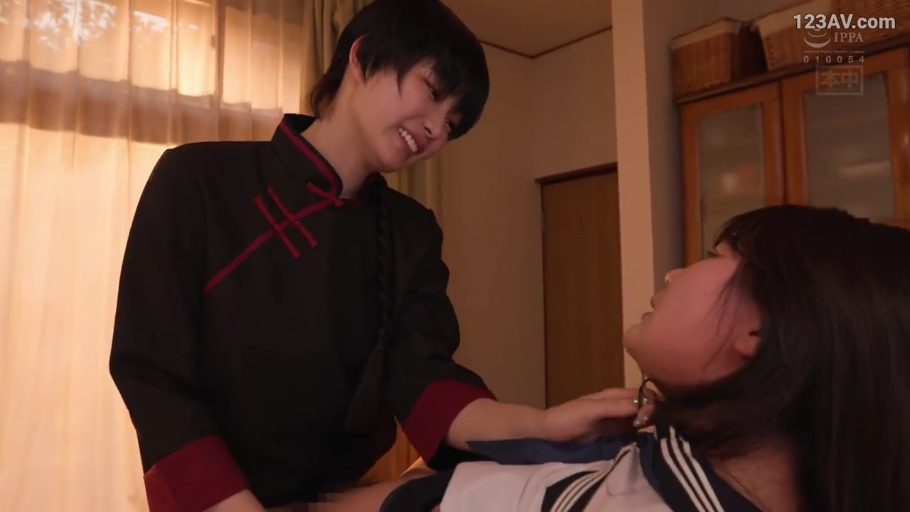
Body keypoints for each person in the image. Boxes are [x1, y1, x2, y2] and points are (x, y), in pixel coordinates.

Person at [108, 0, 629, 511]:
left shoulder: (412, 231)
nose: (436, 130)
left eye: (452, 123)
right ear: (361, 58)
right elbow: (152, 374)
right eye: (432, 92)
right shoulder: (196, 180)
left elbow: (425, 379)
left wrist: (543, 425)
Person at [320, 205, 910, 512]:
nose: (675, 273)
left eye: (716, 257)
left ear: (763, 326)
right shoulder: (662, 455)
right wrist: (541, 427)